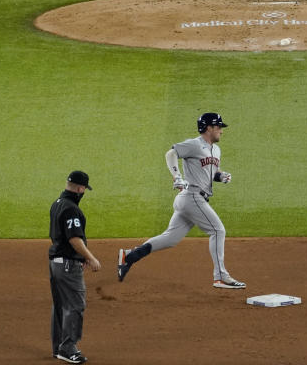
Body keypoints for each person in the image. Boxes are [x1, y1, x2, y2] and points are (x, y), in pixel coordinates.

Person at [117, 113, 246, 289]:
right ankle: (220, 276)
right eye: (218, 127)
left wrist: (220, 176)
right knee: (218, 230)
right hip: (192, 197)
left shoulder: (216, 150)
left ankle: (129, 256)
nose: (221, 131)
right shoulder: (194, 144)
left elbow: (210, 172)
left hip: (191, 199)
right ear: (208, 128)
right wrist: (177, 175)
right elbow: (171, 153)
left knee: (171, 238)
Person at [48, 170, 102, 364]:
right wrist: (90, 257)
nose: (84, 192)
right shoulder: (71, 209)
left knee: (60, 306)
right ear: (80, 188)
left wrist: (80, 256)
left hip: (56, 264)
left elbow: (59, 236)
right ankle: (68, 347)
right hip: (68, 267)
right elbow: (74, 238)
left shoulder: (57, 204)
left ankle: (58, 348)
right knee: (76, 305)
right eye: (84, 189)